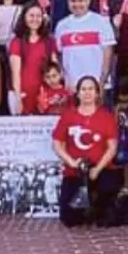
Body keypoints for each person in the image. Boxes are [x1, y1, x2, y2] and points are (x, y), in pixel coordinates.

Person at [51, 76, 122, 228]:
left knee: (106, 217)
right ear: (77, 93)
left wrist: (97, 169)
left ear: (97, 93)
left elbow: (112, 147)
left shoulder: (106, 117)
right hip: (75, 171)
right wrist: (71, 162)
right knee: (69, 219)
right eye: (83, 89)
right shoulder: (68, 116)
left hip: (101, 169)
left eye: (91, 89)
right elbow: (57, 143)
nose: (87, 93)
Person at [54, 0, 115, 91]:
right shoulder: (61, 25)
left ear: (88, 1)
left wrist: (102, 82)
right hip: (72, 86)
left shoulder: (101, 22)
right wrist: (64, 79)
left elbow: (108, 55)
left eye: (81, 0)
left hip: (96, 85)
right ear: (68, 2)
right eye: (73, 1)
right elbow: (58, 55)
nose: (77, 4)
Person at [9, 4, 56, 115]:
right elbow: (15, 73)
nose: (35, 19)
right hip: (24, 93)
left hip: (45, 93)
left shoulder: (49, 41)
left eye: (38, 16)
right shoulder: (17, 42)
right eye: (31, 15)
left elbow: (55, 69)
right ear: (24, 17)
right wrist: (18, 98)